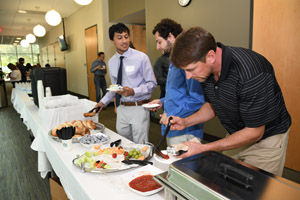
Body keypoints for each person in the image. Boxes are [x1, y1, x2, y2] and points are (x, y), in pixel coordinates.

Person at [169, 27, 292, 176]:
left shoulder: (251, 73)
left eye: (191, 69)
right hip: (238, 133)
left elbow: (255, 132)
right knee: (227, 182)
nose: (188, 77)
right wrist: (186, 122)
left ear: (211, 56)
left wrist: (203, 148)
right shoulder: (204, 71)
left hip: (266, 140)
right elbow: (213, 105)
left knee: (259, 191)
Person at [95, 23, 157, 143]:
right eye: (119, 38)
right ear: (112, 40)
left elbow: (151, 84)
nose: (124, 41)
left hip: (139, 107)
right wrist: (102, 102)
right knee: (124, 142)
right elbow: (114, 88)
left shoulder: (141, 57)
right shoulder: (112, 62)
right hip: (122, 107)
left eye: (126, 36)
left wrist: (133, 91)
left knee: (140, 145)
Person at [149, 19, 205, 146]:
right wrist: (162, 101)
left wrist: (171, 115)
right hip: (173, 129)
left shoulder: (187, 61)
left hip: (185, 131)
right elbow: (177, 92)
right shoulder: (173, 61)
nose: (157, 47)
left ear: (170, 36)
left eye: (159, 42)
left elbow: (197, 100)